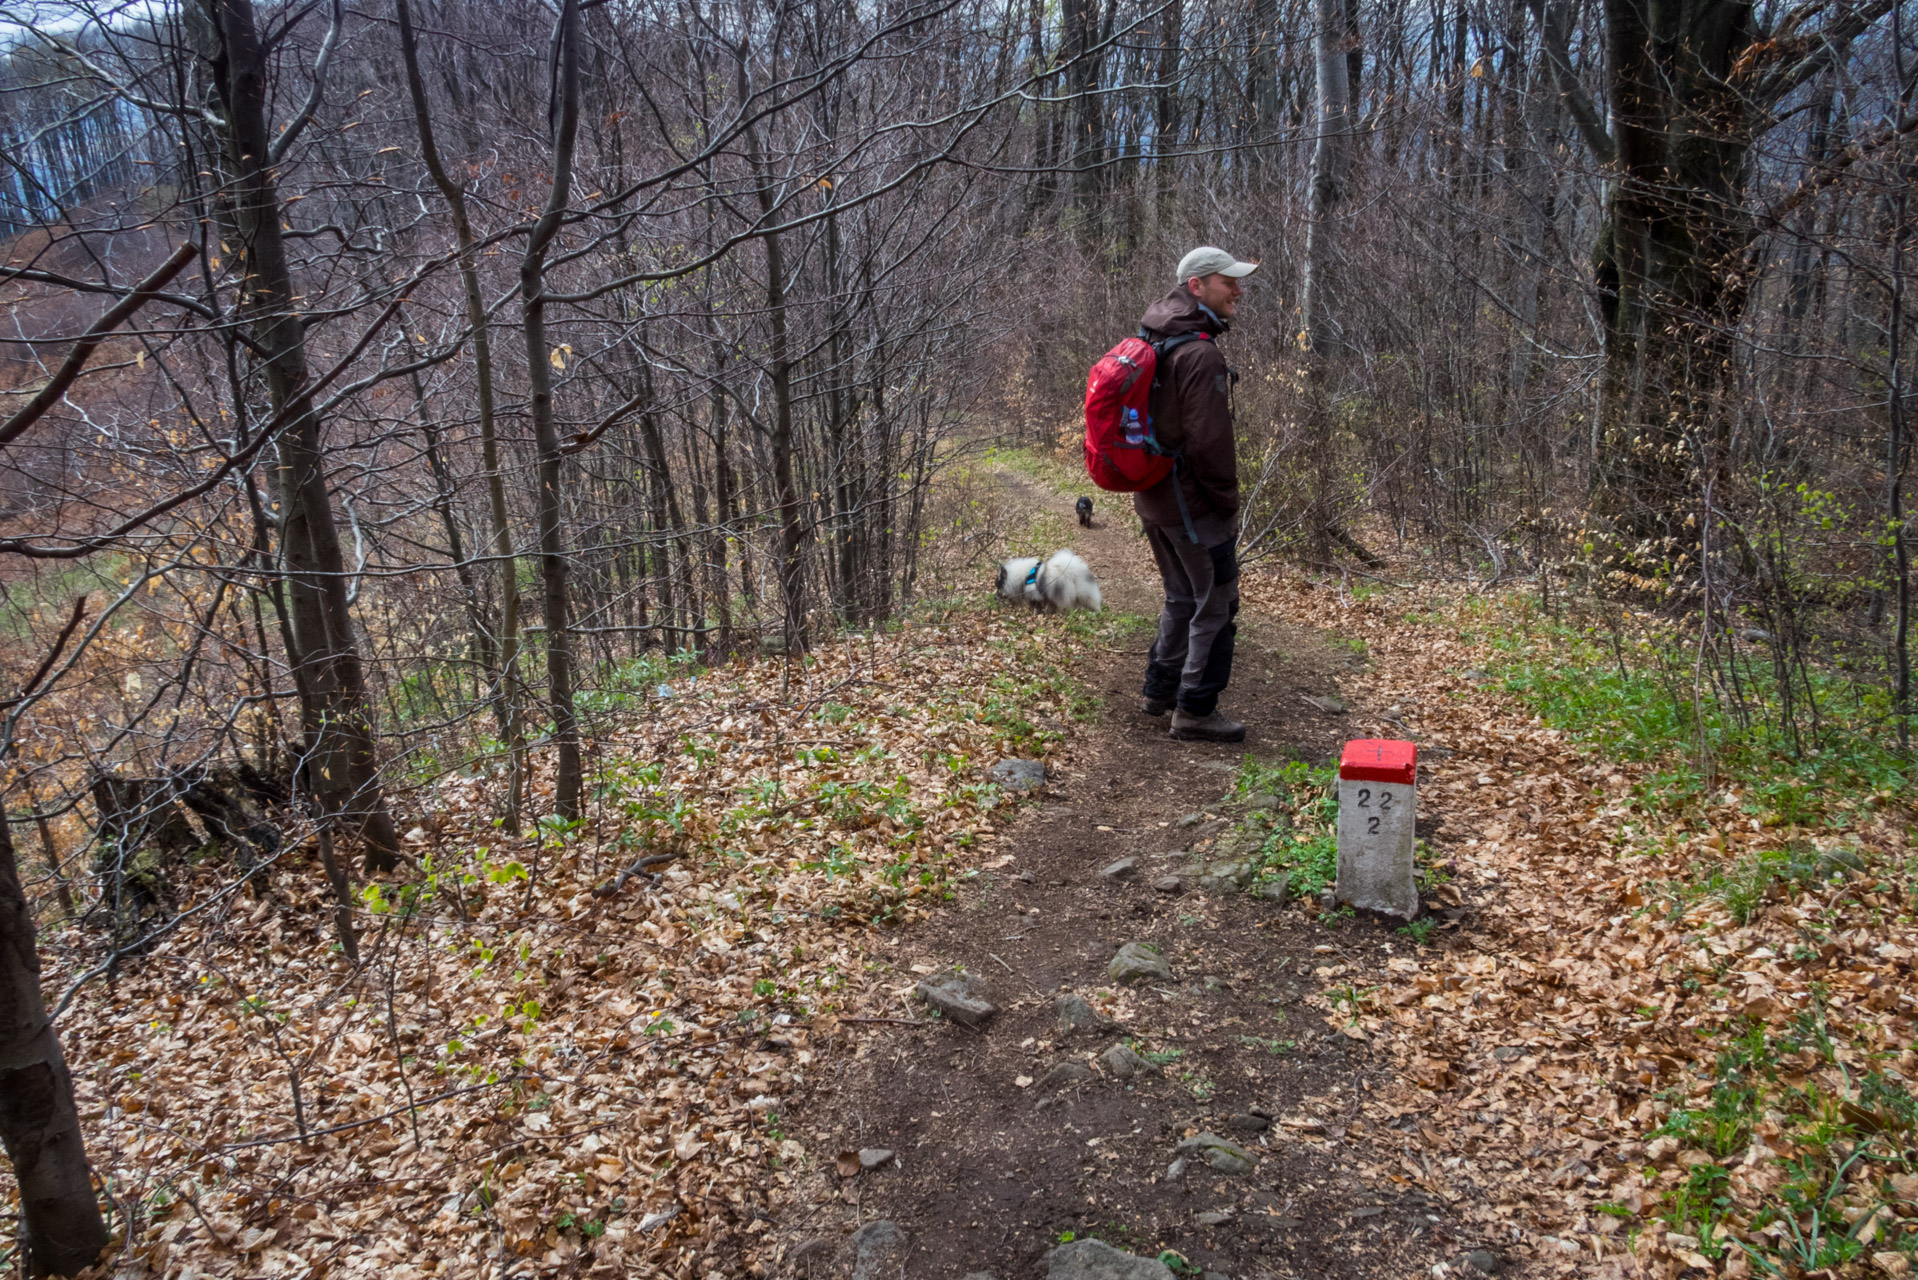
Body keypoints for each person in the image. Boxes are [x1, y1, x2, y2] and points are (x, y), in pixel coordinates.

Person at [1136, 245, 1257, 743]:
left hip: (1154, 495)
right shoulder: (1199, 352)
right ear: (1196, 287)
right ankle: (1196, 710)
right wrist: (1227, 501)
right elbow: (1210, 443)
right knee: (1217, 603)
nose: (1237, 290)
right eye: (1226, 281)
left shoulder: (1157, 337)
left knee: (1182, 596)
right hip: (1192, 506)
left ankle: (1159, 691)